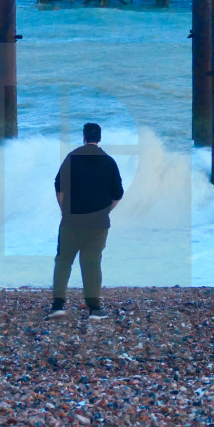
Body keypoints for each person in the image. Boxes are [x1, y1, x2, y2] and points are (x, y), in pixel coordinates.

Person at [48, 122, 124, 320]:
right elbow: (118, 194)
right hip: (98, 222)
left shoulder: (72, 158)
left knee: (63, 261)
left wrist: (65, 210)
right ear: (99, 138)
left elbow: (59, 188)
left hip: (71, 220)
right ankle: (95, 309)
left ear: (84, 137)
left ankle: (58, 305)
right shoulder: (109, 162)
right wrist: (104, 211)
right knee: (91, 263)